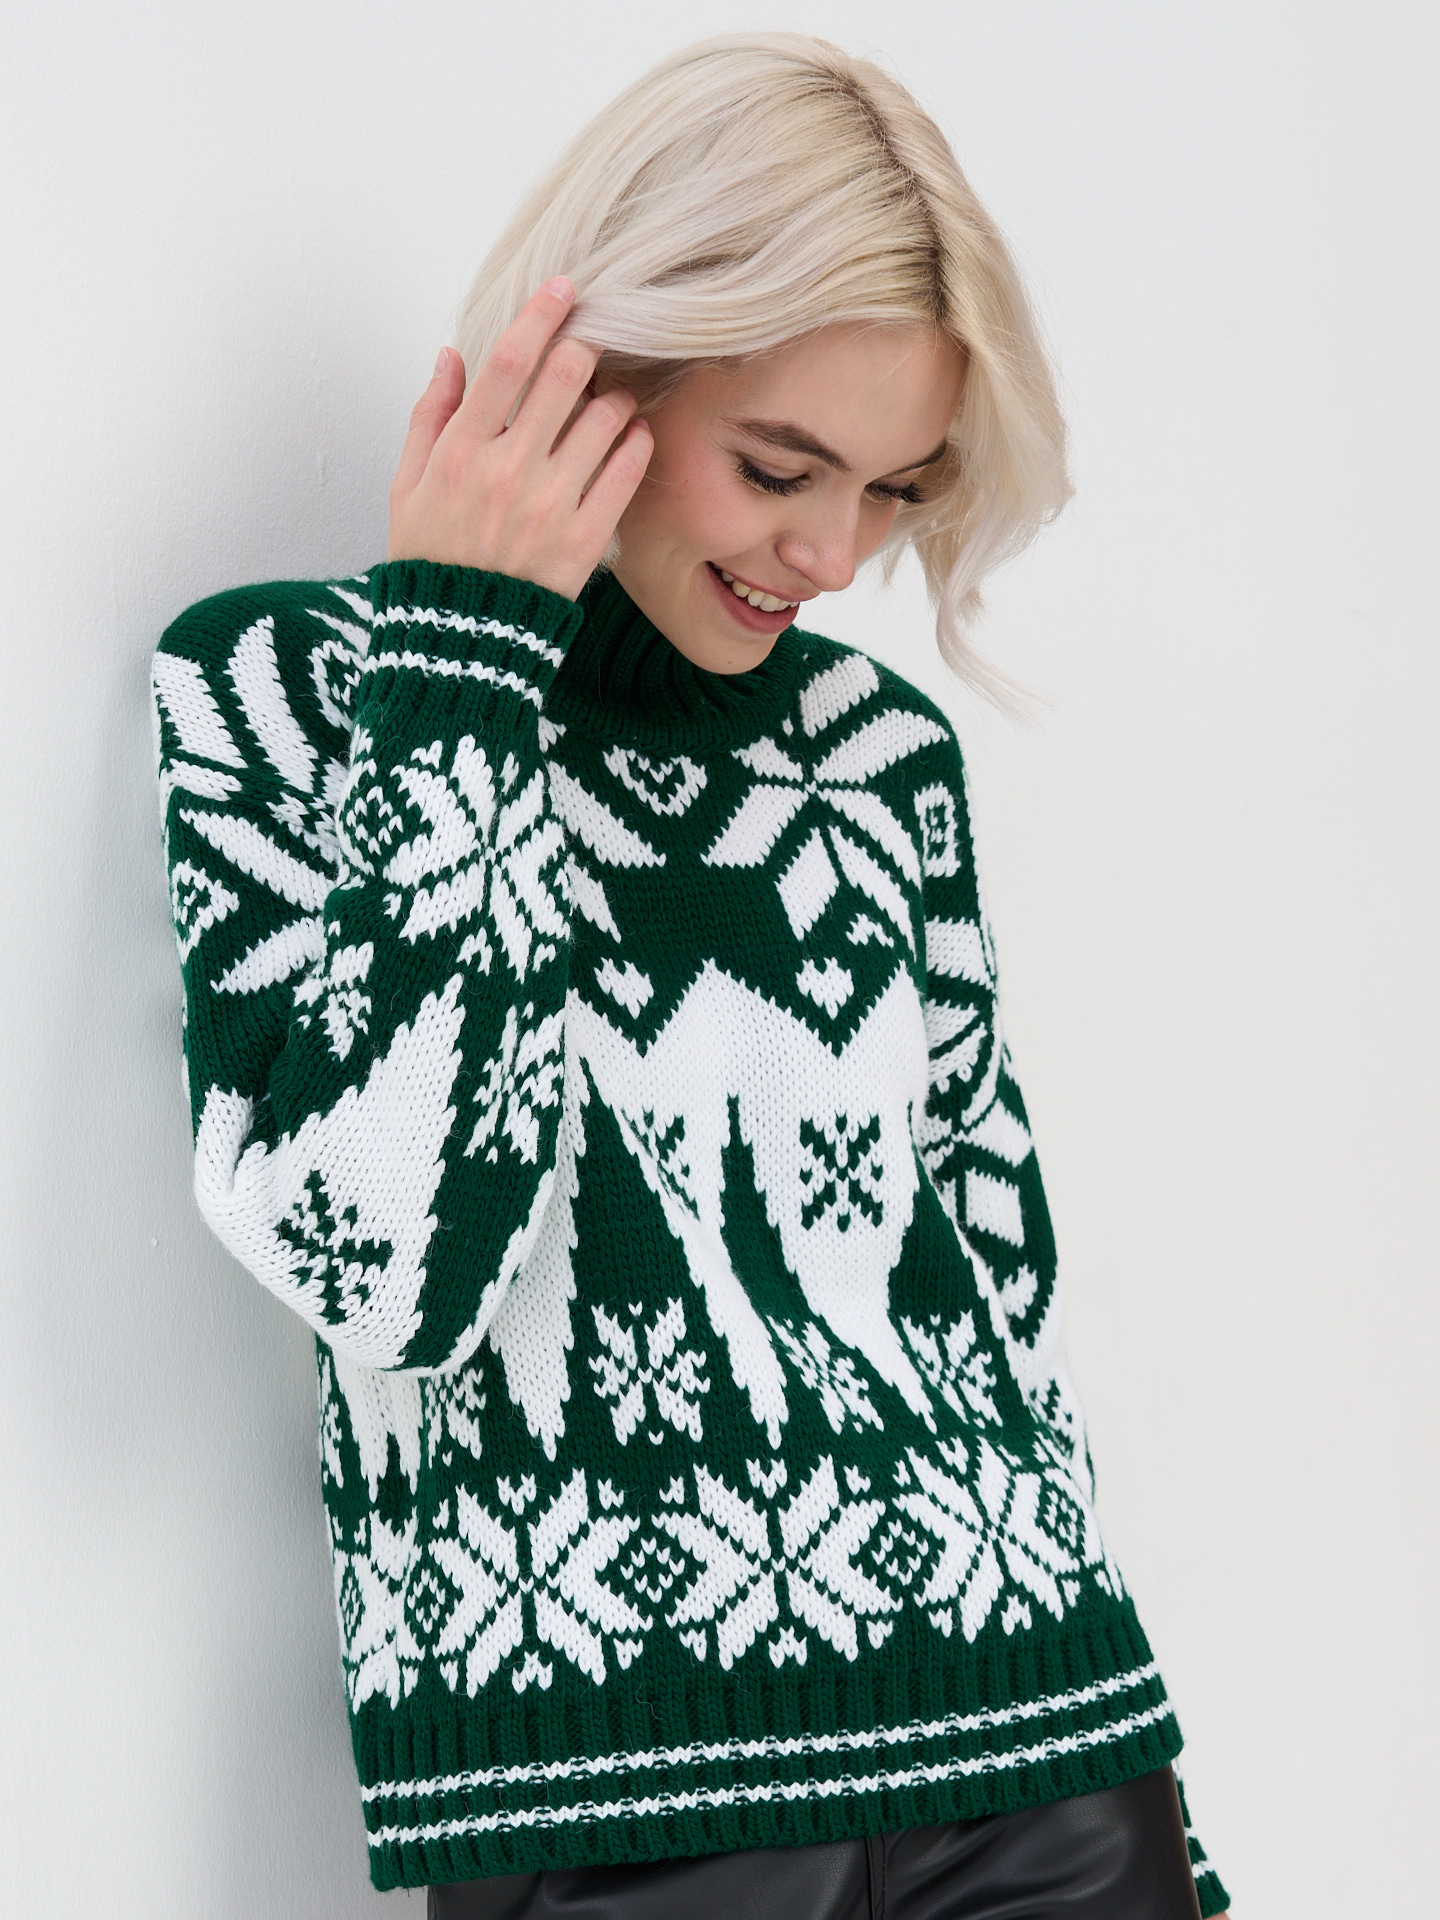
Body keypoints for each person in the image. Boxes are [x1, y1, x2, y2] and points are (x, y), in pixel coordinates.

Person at [153, 32, 1231, 1920]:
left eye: (896, 489)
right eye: (780, 466)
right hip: (618, 1807)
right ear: (596, 374)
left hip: (1042, 1750)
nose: (833, 552)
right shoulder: (297, 692)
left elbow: (992, 1279)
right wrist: (470, 651)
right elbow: (388, 1274)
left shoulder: (881, 756)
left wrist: (1153, 1805)